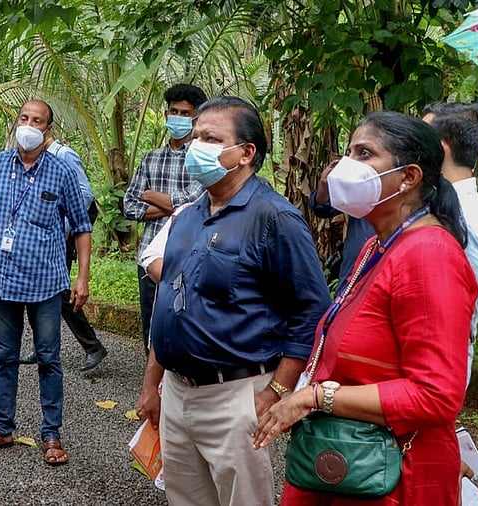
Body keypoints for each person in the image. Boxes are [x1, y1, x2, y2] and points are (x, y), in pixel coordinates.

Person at [253, 111, 478, 506]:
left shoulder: (429, 255)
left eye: (364, 154)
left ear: (409, 177)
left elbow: (435, 394)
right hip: (351, 461)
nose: (345, 167)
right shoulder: (380, 245)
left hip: (393, 475)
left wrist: (314, 397)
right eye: (348, 152)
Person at [135, 96, 330, 506]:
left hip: (236, 396)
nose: (195, 145)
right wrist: (153, 383)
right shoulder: (188, 215)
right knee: (184, 498)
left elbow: (311, 313)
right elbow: (170, 300)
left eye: (211, 137)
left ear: (246, 153)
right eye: (196, 136)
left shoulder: (274, 218)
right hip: (177, 393)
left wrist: (275, 392)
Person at [0, 99, 93, 466]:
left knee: (49, 360)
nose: (28, 124)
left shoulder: (62, 171)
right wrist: (8, 226)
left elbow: (82, 226)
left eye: (37, 120)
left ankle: (51, 433)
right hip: (3, 279)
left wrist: (82, 278)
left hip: (46, 283)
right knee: (4, 357)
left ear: (48, 131)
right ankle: (2, 427)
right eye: (24, 118)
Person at [123, 83, 207, 354]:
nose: (178, 117)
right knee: (151, 323)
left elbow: (192, 201)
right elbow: (129, 205)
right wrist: (172, 205)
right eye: (174, 111)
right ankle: (152, 385)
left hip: (188, 252)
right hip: (149, 253)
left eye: (185, 113)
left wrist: (149, 194)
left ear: (196, 120)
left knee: (184, 320)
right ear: (165, 114)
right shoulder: (151, 159)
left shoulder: (201, 160)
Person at [18, 122, 108, 372]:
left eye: (36, 122)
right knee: (37, 290)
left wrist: (65, 227)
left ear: (48, 129)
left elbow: (84, 194)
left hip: (60, 237)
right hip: (39, 238)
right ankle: (41, 347)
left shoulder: (63, 155)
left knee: (57, 290)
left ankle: (93, 346)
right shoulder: (37, 159)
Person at [423, 102, 478, 386]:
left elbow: (456, 316)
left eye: (420, 137)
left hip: (433, 373)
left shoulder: (467, 220)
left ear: (441, 148)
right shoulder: (436, 206)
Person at [309, 163, 376, 286]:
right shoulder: (360, 186)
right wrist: (325, 185)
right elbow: (323, 208)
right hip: (352, 274)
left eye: (364, 153)